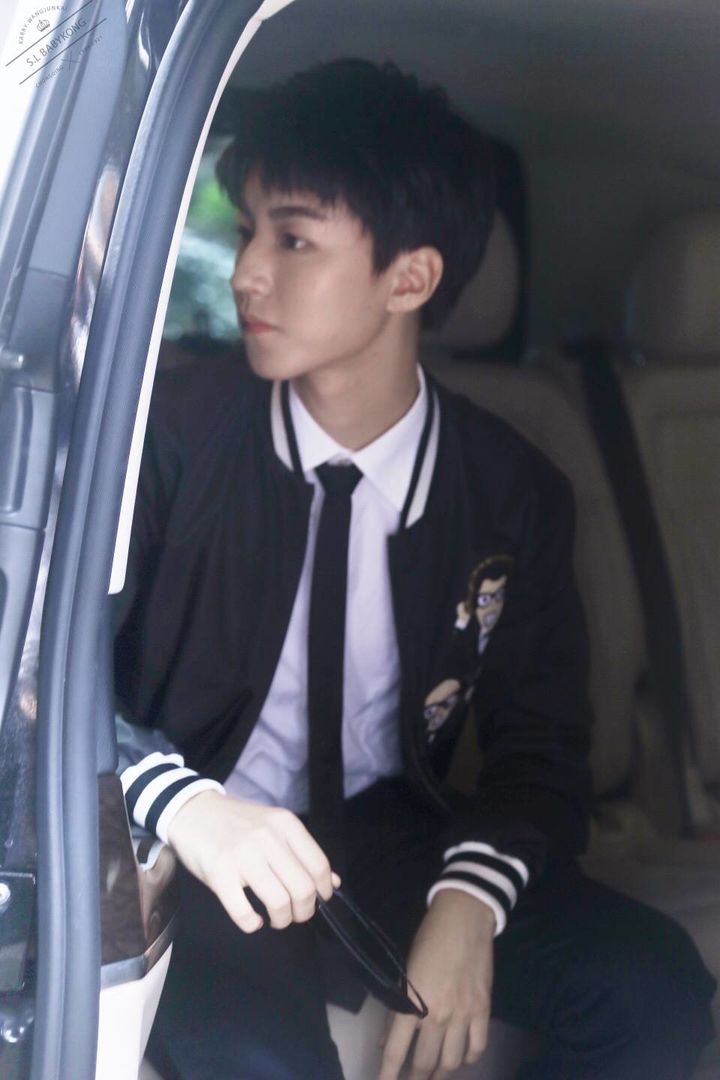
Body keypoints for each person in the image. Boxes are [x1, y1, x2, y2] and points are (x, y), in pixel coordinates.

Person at [114, 58, 716, 1080]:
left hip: (385, 839)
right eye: (249, 231)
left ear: (410, 279)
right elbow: (46, 676)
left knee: (653, 987)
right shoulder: (169, 437)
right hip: (202, 841)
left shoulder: (511, 489)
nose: (247, 271)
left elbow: (543, 747)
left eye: (292, 238)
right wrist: (185, 805)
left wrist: (470, 898)